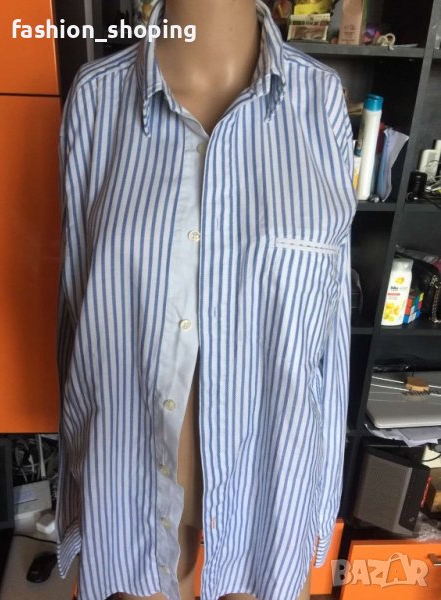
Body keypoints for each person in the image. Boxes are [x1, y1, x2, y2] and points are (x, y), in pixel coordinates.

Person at [55, 0, 356, 599]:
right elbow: (76, 314)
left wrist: (319, 505)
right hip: (129, 493)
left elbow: (331, 330)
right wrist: (76, 498)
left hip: (266, 493)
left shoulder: (320, 101)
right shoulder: (97, 99)